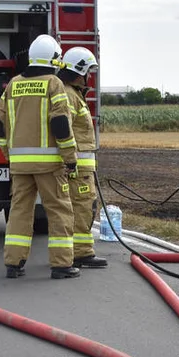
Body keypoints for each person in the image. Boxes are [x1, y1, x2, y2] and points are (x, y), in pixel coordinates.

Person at [0, 35, 80, 279]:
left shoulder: (13, 84)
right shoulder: (54, 84)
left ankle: (13, 264)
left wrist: (7, 153)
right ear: (54, 58)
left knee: (19, 212)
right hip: (50, 165)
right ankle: (62, 265)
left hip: (20, 165)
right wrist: (70, 157)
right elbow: (61, 123)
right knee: (59, 211)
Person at [57, 46, 108, 269]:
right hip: (77, 168)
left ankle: (81, 252)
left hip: (81, 167)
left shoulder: (74, 94)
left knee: (84, 207)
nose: (89, 77)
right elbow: (64, 128)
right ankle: (81, 253)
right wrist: (72, 161)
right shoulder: (69, 95)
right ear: (79, 71)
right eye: (88, 71)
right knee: (81, 208)